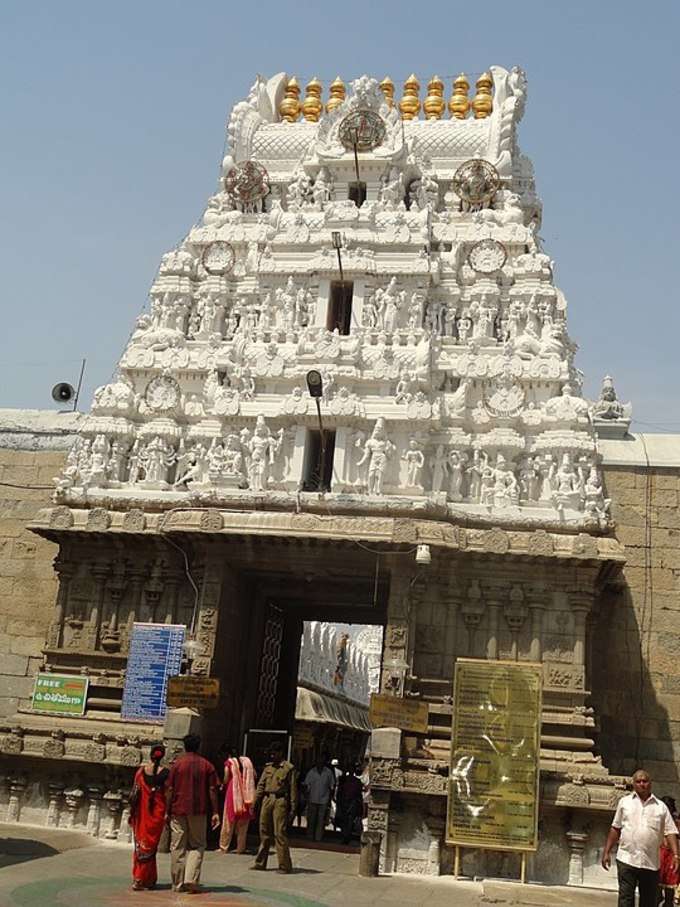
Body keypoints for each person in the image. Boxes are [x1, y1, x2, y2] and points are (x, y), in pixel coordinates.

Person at [601, 769, 679, 907]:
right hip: (626, 858)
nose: (642, 784)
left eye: (645, 781)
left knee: (648, 901)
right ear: (634, 784)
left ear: (650, 783)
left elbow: (670, 831)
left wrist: (676, 855)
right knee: (626, 899)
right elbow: (616, 827)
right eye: (638, 781)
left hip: (650, 862)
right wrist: (607, 851)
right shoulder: (624, 803)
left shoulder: (661, 807)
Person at [165, 734, 221, 894]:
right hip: (199, 810)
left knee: (177, 846)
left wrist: (166, 810)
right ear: (199, 746)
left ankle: (177, 883)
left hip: (178, 809)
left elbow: (169, 789)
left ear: (184, 746)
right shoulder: (207, 765)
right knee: (197, 845)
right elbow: (212, 789)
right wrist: (215, 811)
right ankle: (191, 879)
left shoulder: (177, 765)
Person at [252, 741, 297, 873]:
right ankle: (260, 862)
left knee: (279, 833)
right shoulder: (268, 768)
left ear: (280, 753)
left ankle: (284, 865)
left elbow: (293, 789)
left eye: (274, 753)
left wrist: (293, 808)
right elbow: (260, 786)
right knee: (264, 831)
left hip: (280, 800)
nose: (272, 755)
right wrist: (255, 802)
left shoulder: (289, 768)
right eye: (271, 753)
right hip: (267, 799)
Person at [129, 742, 169, 891]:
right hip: (157, 814)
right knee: (150, 848)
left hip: (141, 813)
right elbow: (168, 794)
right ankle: (144, 878)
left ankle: (141, 877)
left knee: (141, 847)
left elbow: (134, 794)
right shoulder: (166, 773)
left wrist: (131, 813)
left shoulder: (140, 772)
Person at [219, 747, 256, 854]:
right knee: (243, 825)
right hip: (246, 795)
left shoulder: (229, 763)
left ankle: (224, 847)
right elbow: (254, 775)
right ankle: (241, 848)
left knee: (228, 822)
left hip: (233, 793)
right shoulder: (247, 763)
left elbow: (226, 777)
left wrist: (223, 785)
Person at [303, 754, 336, 842]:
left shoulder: (328, 773)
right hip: (312, 799)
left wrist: (330, 799)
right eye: (318, 760)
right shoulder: (311, 772)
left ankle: (318, 838)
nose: (320, 762)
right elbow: (306, 785)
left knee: (321, 820)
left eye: (322, 760)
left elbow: (332, 786)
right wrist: (306, 797)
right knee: (311, 819)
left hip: (323, 800)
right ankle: (310, 836)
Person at [659, 796, 680, 907]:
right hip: (663, 855)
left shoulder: (676, 822)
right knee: (664, 892)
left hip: (670, 856)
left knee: (668, 891)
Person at [335, 766, 364, 845]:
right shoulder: (344, 780)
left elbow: (359, 795)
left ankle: (346, 836)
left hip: (352, 803)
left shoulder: (357, 782)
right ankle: (345, 836)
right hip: (345, 803)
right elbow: (339, 792)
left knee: (349, 821)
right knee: (345, 821)